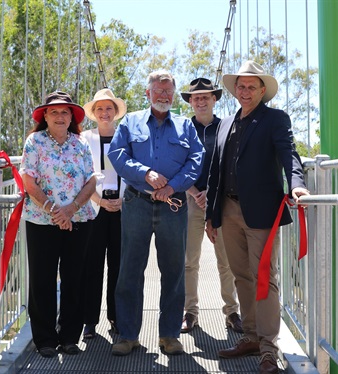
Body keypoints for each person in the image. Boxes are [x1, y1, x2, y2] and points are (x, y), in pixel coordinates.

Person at [205, 61, 310, 374]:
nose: (245, 91)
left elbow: (289, 154)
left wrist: (298, 185)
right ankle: (250, 336)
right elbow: (216, 171)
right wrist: (212, 214)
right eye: (241, 86)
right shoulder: (224, 123)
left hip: (262, 213)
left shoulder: (275, 119)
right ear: (234, 89)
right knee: (242, 277)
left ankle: (268, 350)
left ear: (263, 90)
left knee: (264, 279)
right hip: (228, 209)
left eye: (252, 86)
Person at [107, 70, 205, 356]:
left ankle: (170, 335)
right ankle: (127, 335)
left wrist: (173, 185)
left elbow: (196, 161)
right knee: (130, 270)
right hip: (137, 202)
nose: (163, 95)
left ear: (173, 96)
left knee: (174, 271)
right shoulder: (130, 121)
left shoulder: (186, 126)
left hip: (173, 206)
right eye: (158, 91)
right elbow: (117, 155)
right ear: (147, 93)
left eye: (168, 91)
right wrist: (146, 173)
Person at [20, 91, 98, 358]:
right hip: (42, 220)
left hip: (79, 219)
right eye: (54, 111)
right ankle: (45, 339)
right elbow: (29, 182)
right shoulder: (35, 142)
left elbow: (91, 180)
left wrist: (71, 209)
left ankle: (69, 337)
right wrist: (56, 211)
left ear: (72, 117)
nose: (60, 116)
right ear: (45, 116)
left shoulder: (81, 144)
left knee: (74, 279)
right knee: (42, 279)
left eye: (65, 112)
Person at [179, 78, 241, 334]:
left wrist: (213, 193)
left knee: (226, 260)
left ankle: (232, 312)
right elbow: (176, 165)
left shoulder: (228, 127)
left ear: (215, 99)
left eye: (206, 97)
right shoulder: (182, 129)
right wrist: (194, 192)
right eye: (196, 97)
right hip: (191, 200)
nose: (201, 101)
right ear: (191, 102)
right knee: (189, 260)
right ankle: (190, 312)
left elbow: (232, 164)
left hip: (221, 202)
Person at [81, 88, 127, 339]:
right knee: (92, 265)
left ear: (116, 112)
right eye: (99, 108)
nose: (104, 112)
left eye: (109, 108)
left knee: (118, 266)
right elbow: (80, 174)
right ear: (94, 113)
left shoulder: (126, 136)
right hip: (93, 208)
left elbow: (132, 171)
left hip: (121, 207)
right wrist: (97, 199)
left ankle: (116, 318)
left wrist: (123, 200)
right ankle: (89, 321)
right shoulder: (84, 139)